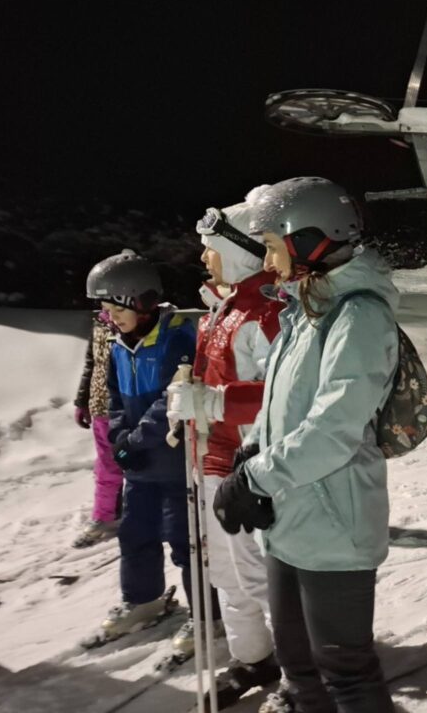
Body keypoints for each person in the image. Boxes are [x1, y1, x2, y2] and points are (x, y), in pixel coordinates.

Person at [211, 177, 398, 713]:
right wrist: (250, 455)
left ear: (309, 240)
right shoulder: (305, 309)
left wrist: (255, 477)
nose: (268, 261)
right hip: (291, 517)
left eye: (272, 246)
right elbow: (282, 407)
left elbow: (332, 431)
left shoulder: (358, 315)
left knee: (346, 674)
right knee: (297, 667)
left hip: (335, 523)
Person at [166, 194, 283, 707]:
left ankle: (302, 668)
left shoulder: (269, 313)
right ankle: (253, 656)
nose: (203, 257)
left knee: (260, 575)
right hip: (210, 459)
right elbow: (204, 378)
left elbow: (284, 394)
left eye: (211, 247)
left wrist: (214, 402)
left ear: (239, 251)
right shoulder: (224, 308)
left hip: (249, 466)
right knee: (225, 574)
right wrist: (187, 404)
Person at [86, 250, 209, 653]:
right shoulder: (119, 345)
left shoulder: (177, 338)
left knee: (186, 543)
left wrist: (136, 440)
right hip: (140, 468)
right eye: (105, 311)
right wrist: (120, 439)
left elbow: (173, 399)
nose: (110, 318)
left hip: (177, 464)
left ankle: (208, 614)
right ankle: (144, 599)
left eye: (116, 309)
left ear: (141, 301)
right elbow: (115, 398)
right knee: (135, 535)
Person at [72, 307, 122, 548]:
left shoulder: (136, 322)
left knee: (138, 465)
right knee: (106, 466)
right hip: (100, 406)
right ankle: (105, 515)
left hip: (129, 408)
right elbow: (91, 365)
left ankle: (145, 514)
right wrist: (82, 401)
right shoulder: (100, 324)